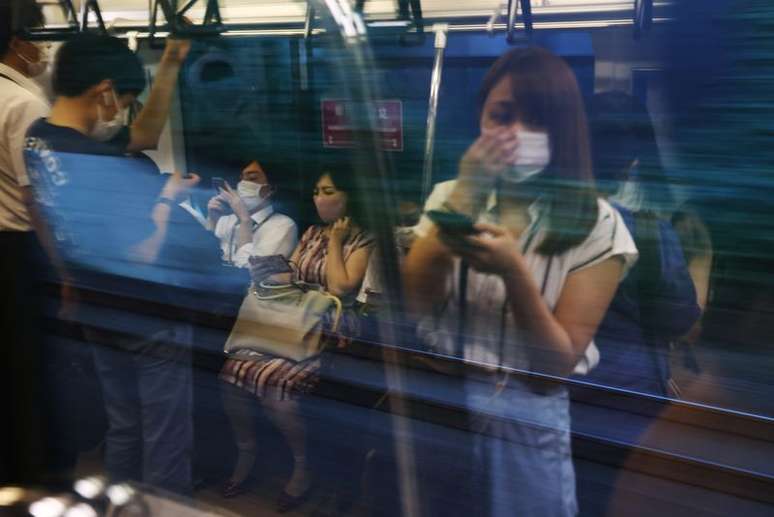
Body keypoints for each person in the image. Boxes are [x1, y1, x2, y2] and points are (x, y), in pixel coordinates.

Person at [403, 47, 638, 517]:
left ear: (562, 131)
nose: (515, 134)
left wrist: (515, 273)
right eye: (502, 116)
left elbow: (555, 365)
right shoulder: (450, 196)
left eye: (537, 121)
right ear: (481, 118)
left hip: (527, 408)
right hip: (443, 397)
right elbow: (415, 301)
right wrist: (468, 191)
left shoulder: (598, 224)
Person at [24, 32, 217, 495]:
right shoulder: (94, 160)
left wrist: (170, 61)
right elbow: (143, 252)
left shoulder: (40, 139)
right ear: (103, 91)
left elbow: (41, 215)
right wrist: (168, 197)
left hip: (95, 306)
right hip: (149, 315)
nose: (123, 112)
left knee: (125, 427)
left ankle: (121, 504)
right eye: (124, 100)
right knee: (166, 441)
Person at [219, 163, 374, 511]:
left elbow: (340, 288)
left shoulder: (364, 238)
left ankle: (302, 466)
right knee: (231, 374)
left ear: (349, 197)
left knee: (277, 388)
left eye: (328, 192)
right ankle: (247, 453)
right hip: (294, 317)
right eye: (317, 192)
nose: (319, 199)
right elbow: (291, 274)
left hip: (328, 327)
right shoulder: (310, 233)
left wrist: (336, 240)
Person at [576, 91, 701, 397]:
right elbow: (681, 323)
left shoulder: (541, 222)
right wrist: (702, 261)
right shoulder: (650, 234)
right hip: (629, 394)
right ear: (632, 161)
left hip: (555, 392)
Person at [206, 159, 297, 267]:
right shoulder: (226, 220)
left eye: (252, 178)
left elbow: (253, 270)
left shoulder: (282, 225)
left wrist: (245, 221)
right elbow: (205, 259)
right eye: (241, 179)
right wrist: (213, 220)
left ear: (271, 189)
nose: (243, 184)